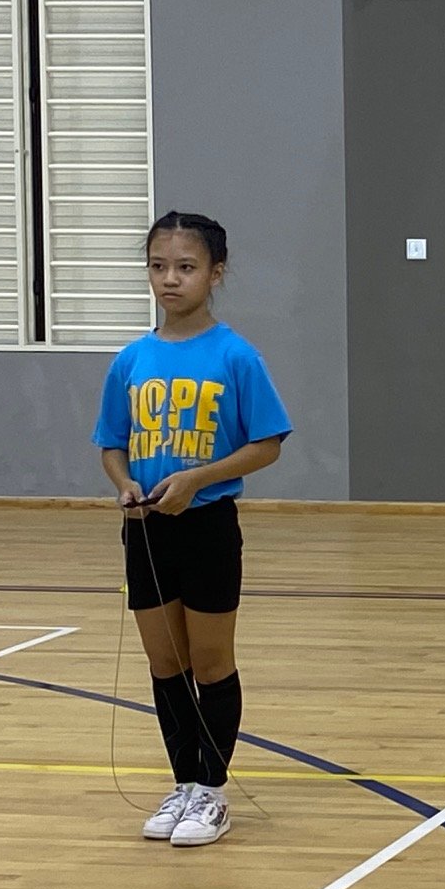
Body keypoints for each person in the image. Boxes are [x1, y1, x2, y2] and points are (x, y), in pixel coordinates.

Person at [93, 212, 292, 845]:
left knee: (208, 661)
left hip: (206, 527)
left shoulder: (236, 355)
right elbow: (110, 444)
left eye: (185, 267)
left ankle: (211, 790)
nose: (170, 280)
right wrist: (123, 483)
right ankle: (182, 784)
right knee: (165, 662)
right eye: (158, 266)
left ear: (215, 273)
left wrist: (198, 479)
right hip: (147, 531)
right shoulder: (131, 359)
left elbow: (267, 444)